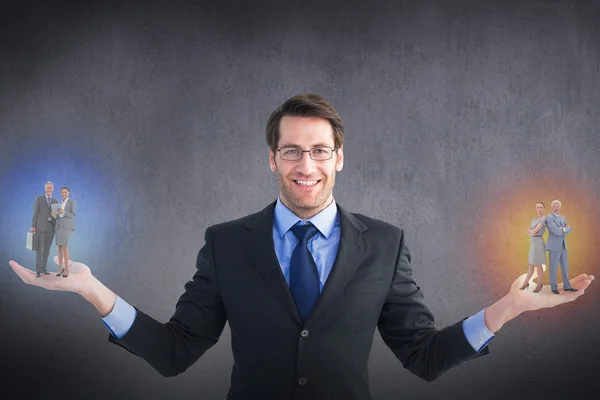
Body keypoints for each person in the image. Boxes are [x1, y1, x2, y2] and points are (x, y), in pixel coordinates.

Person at [9, 95, 594, 400]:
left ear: (339, 157)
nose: (305, 165)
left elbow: (423, 357)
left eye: (319, 150)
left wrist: (509, 309)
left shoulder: (385, 244)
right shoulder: (226, 243)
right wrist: (90, 288)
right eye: (291, 150)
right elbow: (173, 352)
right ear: (273, 159)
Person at [546, 200, 577, 295]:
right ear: (552, 207)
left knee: (565, 267)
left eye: (558, 206)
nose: (556, 208)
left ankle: (567, 286)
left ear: (560, 207)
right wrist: (564, 229)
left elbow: (570, 229)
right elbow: (556, 231)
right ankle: (553, 287)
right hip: (554, 246)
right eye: (554, 206)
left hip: (563, 246)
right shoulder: (549, 218)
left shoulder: (563, 218)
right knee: (553, 267)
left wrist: (563, 229)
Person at [30, 181, 59, 277]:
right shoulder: (39, 198)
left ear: (53, 189)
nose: (49, 189)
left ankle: (43, 269)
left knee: (47, 249)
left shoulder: (55, 201)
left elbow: (57, 216)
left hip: (51, 227)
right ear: (45, 188)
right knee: (39, 249)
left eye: (51, 187)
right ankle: (38, 270)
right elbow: (35, 212)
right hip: (40, 227)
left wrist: (55, 216)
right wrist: (33, 226)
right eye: (48, 187)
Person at [520, 202, 547, 293]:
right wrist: (531, 232)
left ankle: (539, 284)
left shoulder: (543, 219)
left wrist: (532, 232)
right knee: (531, 263)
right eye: (537, 207)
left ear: (543, 208)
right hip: (533, 243)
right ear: (536, 208)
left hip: (538, 242)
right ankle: (525, 283)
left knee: (538, 264)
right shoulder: (534, 219)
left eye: (541, 207)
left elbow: (534, 231)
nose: (539, 209)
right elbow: (527, 231)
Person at [55, 186, 76, 278]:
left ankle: (66, 268)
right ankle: (60, 268)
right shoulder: (59, 204)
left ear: (68, 193)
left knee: (65, 247)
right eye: (62, 192)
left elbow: (72, 215)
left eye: (65, 192)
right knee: (59, 247)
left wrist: (64, 212)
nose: (64, 194)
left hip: (67, 227)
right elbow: (58, 216)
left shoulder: (72, 202)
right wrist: (54, 214)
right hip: (59, 226)